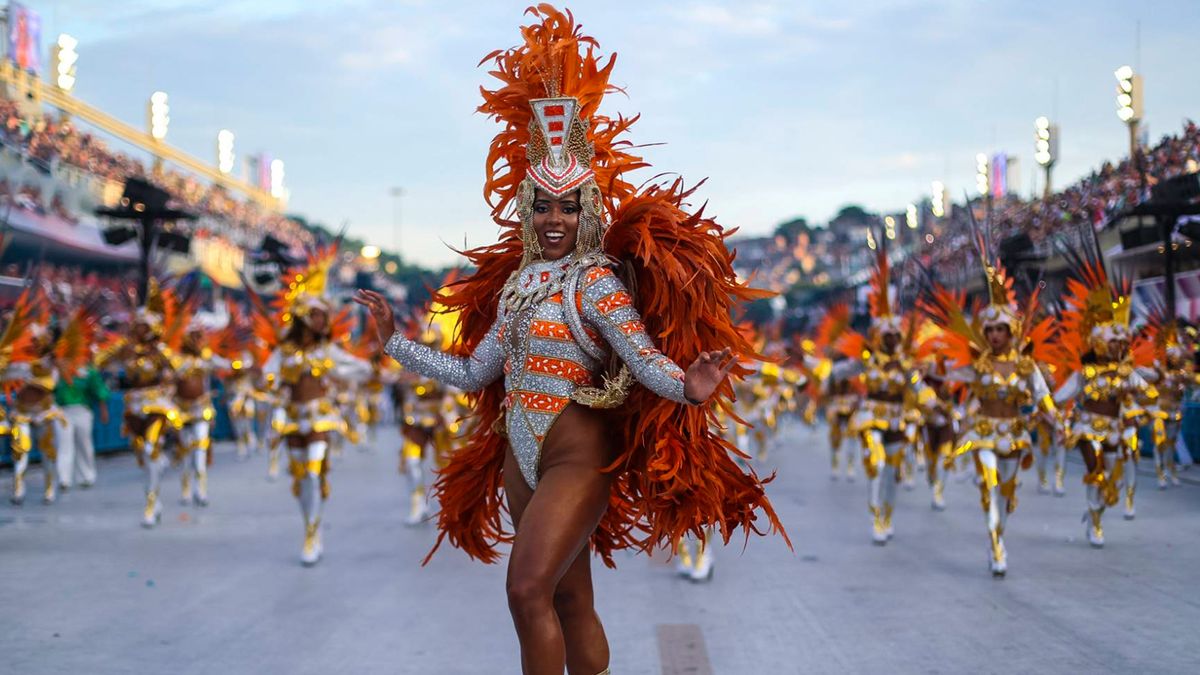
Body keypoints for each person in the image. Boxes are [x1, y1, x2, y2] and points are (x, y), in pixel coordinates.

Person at [355, 8, 784, 673]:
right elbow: (474, 372)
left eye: (569, 205)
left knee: (526, 591)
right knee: (569, 597)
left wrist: (687, 387)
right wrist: (395, 344)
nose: (556, 218)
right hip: (518, 460)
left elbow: (642, 358)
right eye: (545, 205)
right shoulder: (522, 282)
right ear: (529, 208)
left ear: (588, 210)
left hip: (576, 456)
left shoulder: (597, 283)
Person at [919, 242, 1058, 576]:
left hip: (1014, 434)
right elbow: (947, 374)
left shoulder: (1026, 367)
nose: (995, 335)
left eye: (1001, 330)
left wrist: (1057, 423)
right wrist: (927, 367)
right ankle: (997, 547)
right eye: (991, 330)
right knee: (990, 483)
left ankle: (999, 534)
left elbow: (1043, 398)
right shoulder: (977, 366)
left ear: (1010, 332)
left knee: (1006, 494)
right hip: (983, 433)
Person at [256, 245, 371, 566]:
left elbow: (357, 368)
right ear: (305, 317)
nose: (324, 320)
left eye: (325, 315)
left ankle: (312, 532)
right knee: (302, 479)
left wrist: (347, 372)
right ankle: (309, 525)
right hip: (292, 418)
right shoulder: (285, 352)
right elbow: (267, 376)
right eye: (318, 314)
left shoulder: (327, 351)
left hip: (320, 417)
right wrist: (271, 382)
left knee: (312, 471)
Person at [1053, 245, 1157, 547]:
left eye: (1120, 343)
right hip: (1087, 427)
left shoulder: (1126, 372)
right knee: (1096, 471)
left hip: (1115, 430)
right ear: (1099, 344)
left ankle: (1094, 513)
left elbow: (1147, 390)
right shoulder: (1085, 373)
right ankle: (1096, 524)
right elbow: (1061, 396)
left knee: (1112, 479)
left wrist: (1145, 391)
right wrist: (1044, 399)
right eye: (1112, 343)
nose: (1117, 348)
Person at [95, 281, 186, 527]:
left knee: (150, 447)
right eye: (137, 327)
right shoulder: (127, 349)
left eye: (144, 327)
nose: (140, 331)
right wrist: (118, 349)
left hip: (156, 403)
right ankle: (153, 495)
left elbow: (180, 368)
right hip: (133, 406)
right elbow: (98, 361)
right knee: (143, 455)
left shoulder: (160, 350)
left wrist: (164, 358)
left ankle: (151, 501)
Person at [55, 361, 111, 489]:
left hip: (82, 410)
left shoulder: (88, 371)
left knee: (84, 444)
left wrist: (104, 410)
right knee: (63, 444)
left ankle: (87, 476)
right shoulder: (57, 369)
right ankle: (64, 479)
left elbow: (99, 389)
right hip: (62, 411)